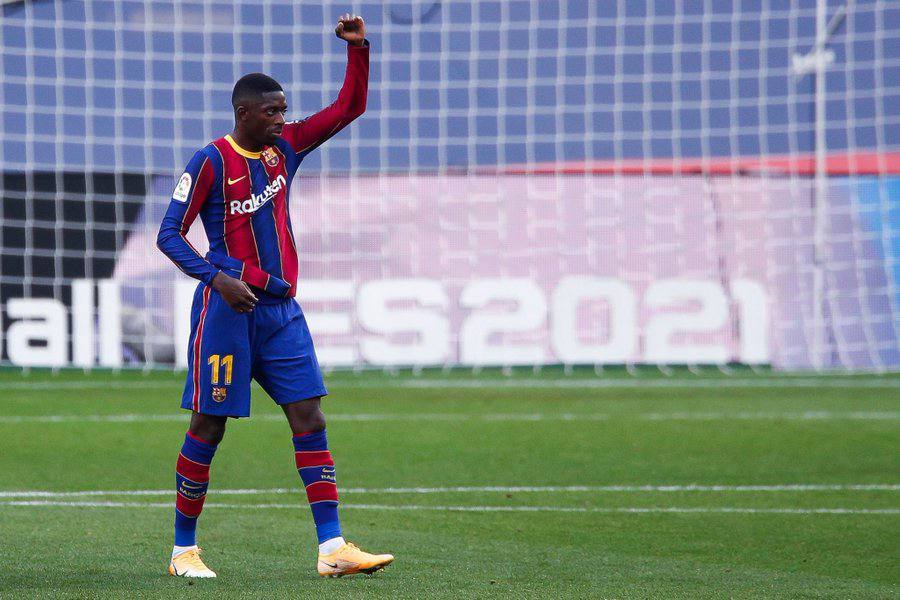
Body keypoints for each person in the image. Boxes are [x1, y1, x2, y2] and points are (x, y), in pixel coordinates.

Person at [156, 13, 392, 579]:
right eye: (272, 112)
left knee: (309, 415)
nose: (282, 119)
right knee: (209, 426)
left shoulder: (285, 148)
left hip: (282, 312)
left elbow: (348, 109)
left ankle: (332, 548)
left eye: (284, 111)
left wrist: (357, 50)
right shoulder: (210, 161)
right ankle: (183, 551)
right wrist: (216, 278)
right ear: (244, 113)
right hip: (227, 313)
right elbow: (168, 234)